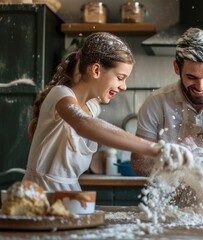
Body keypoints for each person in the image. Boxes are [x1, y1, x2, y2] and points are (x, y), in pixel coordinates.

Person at [24, 32, 192, 192]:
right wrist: (155, 149)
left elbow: (93, 126)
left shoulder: (93, 107)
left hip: (70, 194)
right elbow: (83, 124)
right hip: (39, 194)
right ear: (96, 70)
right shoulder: (60, 94)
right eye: (120, 78)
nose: (124, 86)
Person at [131, 27, 203, 176]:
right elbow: (139, 163)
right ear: (176, 68)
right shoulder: (156, 103)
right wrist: (171, 158)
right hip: (169, 197)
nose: (200, 86)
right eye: (192, 77)